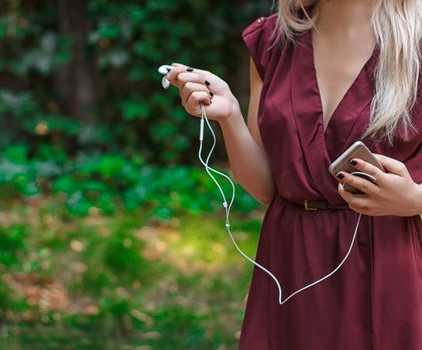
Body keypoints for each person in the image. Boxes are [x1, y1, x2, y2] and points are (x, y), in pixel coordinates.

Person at [164, 0, 422, 349]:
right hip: (289, 260)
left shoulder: (416, 42)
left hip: (387, 265)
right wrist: (229, 117)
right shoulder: (273, 40)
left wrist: (414, 199)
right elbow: (268, 187)